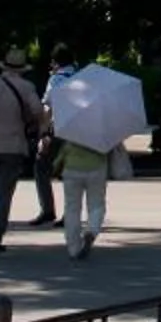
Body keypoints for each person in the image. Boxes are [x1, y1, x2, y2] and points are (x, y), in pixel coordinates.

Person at [0, 47, 45, 252]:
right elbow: (38, 111)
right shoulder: (26, 87)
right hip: (12, 145)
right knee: (2, 194)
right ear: (22, 69)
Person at [46, 62, 121, 259]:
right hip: (97, 166)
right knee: (97, 205)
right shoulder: (105, 117)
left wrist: (57, 163)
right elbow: (112, 143)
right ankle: (91, 231)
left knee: (72, 208)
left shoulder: (72, 113)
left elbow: (65, 144)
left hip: (72, 166)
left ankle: (73, 247)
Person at [28, 45, 76, 227]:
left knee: (41, 166)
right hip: (79, 131)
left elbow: (48, 107)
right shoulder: (81, 77)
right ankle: (70, 213)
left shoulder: (56, 79)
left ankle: (47, 209)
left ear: (55, 62)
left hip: (59, 130)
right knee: (71, 173)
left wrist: (43, 133)